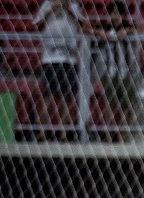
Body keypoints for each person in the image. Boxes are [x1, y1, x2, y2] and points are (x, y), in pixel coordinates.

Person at [34, 0, 97, 141]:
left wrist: (69, 10)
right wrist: (51, 10)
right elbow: (37, 25)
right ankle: (42, 132)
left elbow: (83, 25)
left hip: (70, 57)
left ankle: (63, 132)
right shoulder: (47, 5)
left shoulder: (73, 6)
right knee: (48, 96)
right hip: (50, 57)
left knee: (66, 96)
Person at [94, 1, 142, 142]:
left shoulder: (126, 27)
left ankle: (122, 135)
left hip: (126, 72)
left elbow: (143, 29)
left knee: (126, 104)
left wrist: (128, 31)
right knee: (109, 104)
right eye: (112, 14)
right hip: (109, 72)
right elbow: (85, 29)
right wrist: (100, 33)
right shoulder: (104, 28)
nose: (115, 17)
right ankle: (108, 135)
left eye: (118, 14)